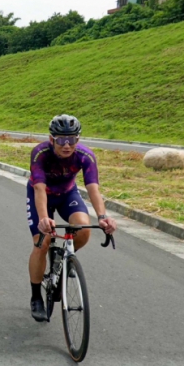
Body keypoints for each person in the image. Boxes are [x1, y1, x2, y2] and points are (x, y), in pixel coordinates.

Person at [27, 114, 117, 322]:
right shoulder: (40, 153)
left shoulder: (86, 156)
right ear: (52, 140)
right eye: (61, 140)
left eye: (72, 140)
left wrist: (103, 217)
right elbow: (39, 188)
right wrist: (43, 219)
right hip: (41, 196)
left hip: (67, 194)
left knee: (84, 229)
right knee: (42, 242)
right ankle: (35, 297)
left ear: (78, 139)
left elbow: (93, 189)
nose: (66, 145)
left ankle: (64, 259)